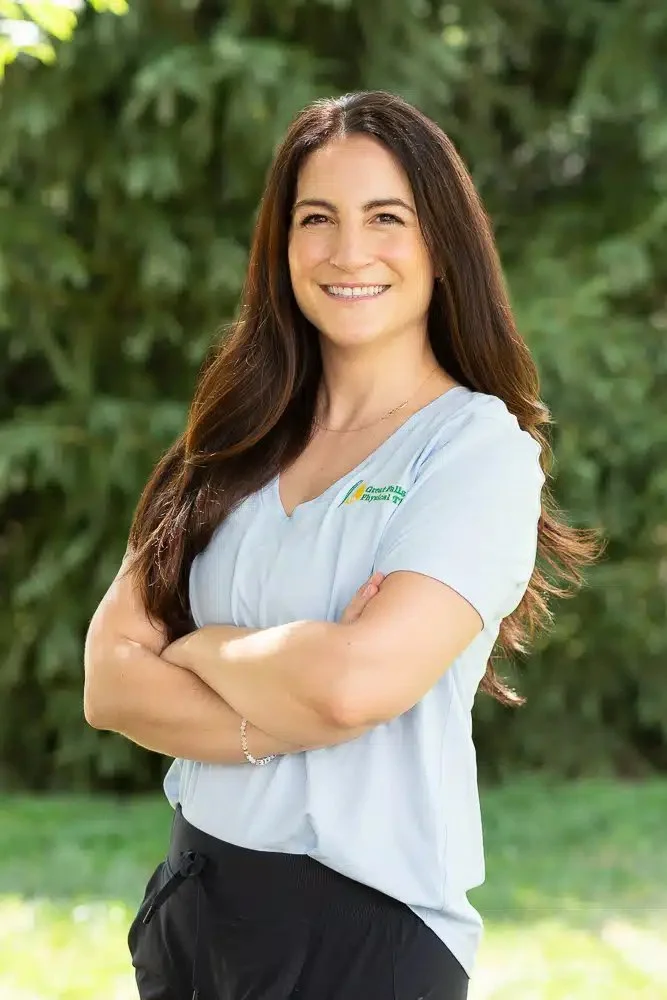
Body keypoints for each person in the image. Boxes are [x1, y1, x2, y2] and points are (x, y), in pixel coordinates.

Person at [83, 90, 596, 1000]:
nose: (347, 252)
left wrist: (198, 648)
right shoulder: (233, 434)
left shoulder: (474, 450)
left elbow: (355, 684)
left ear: (442, 243)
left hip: (362, 935)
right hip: (193, 910)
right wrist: (296, 697)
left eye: (385, 218)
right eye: (316, 218)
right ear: (281, 247)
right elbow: (111, 680)